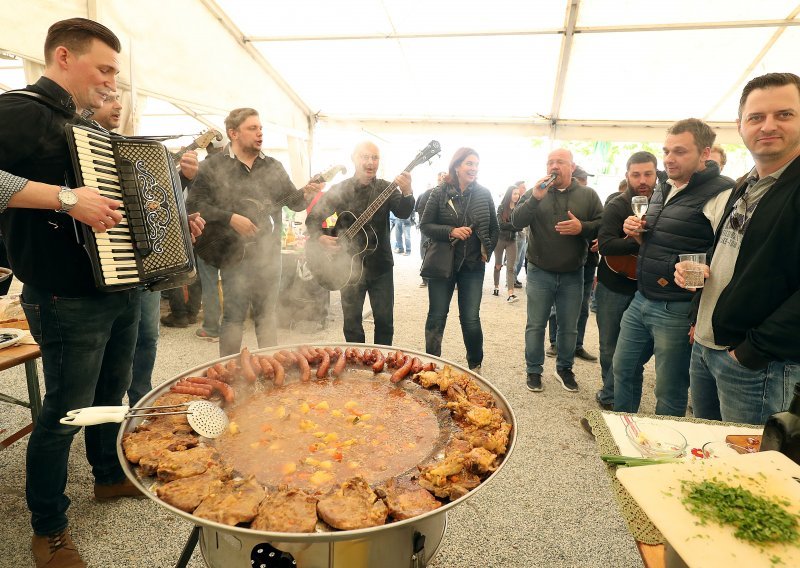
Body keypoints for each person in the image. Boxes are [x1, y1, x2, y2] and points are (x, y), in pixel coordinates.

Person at [0, 18, 141, 568]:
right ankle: (49, 528)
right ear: (64, 57)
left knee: (111, 397)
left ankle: (107, 476)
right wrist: (64, 198)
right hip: (63, 297)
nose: (111, 83)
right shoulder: (19, 110)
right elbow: (70, 199)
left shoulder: (84, 127)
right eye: (103, 69)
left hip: (116, 287)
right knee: (64, 413)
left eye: (115, 72)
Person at [676, 72, 800, 424]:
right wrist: (700, 312)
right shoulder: (748, 182)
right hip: (707, 346)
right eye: (756, 117)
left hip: (760, 365)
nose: (768, 126)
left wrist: (751, 352)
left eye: (784, 114)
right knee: (711, 455)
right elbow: (739, 260)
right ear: (740, 125)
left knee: (749, 472)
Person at [613, 118, 733, 416]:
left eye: (679, 151)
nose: (669, 158)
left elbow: (729, 254)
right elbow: (655, 242)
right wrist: (638, 233)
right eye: (666, 151)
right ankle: (621, 431)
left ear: (705, 153)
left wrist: (705, 280)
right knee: (622, 368)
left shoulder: (722, 193)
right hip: (642, 296)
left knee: (670, 388)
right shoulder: (663, 186)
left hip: (677, 308)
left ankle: (665, 452)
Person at [91, 91, 200, 405]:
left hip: (146, 263)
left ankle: (140, 398)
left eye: (118, 98)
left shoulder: (137, 155)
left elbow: (154, 204)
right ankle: (106, 410)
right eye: (108, 97)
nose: (118, 104)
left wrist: (182, 220)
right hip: (109, 265)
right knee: (112, 346)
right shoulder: (88, 156)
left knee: (147, 338)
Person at [187, 107, 321, 356]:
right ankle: (229, 376)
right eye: (252, 128)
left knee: (267, 316)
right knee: (233, 318)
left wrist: (306, 194)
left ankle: (270, 377)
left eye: (261, 128)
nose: (260, 133)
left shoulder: (273, 167)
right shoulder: (213, 166)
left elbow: (294, 203)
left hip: (268, 256)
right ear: (233, 133)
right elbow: (194, 205)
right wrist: (231, 218)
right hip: (231, 254)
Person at [305, 141, 413, 345]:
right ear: (354, 159)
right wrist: (320, 237)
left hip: (380, 266)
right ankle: (356, 365)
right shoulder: (341, 189)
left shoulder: (386, 188)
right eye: (365, 157)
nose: (370, 162)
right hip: (347, 268)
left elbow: (403, 212)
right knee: (352, 324)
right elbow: (313, 218)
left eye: (375, 158)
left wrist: (407, 192)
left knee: (385, 323)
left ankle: (382, 364)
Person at [512, 149, 602, 393]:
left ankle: (564, 368)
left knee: (569, 325)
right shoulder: (536, 191)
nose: (554, 166)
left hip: (573, 273)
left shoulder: (588, 195)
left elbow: (603, 226)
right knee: (536, 324)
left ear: (571, 167)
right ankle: (533, 370)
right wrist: (534, 199)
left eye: (560, 162)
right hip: (540, 271)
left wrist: (581, 227)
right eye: (550, 162)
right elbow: (516, 221)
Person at [420, 148, 498, 370]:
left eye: (476, 164)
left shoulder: (484, 194)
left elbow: (494, 227)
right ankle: (432, 364)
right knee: (436, 315)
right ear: (457, 166)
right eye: (469, 163)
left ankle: (476, 366)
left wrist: (487, 250)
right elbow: (425, 226)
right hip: (443, 264)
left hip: (473, 266)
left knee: (471, 319)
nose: (473, 168)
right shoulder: (439, 192)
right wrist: (450, 231)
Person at [594, 152, 658, 410]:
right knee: (609, 345)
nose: (642, 180)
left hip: (646, 288)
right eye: (636, 174)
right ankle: (611, 396)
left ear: (657, 174)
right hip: (614, 285)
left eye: (648, 174)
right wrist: (637, 239)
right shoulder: (617, 205)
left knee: (636, 351)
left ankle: (621, 398)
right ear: (627, 176)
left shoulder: (666, 205)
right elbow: (606, 245)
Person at [546, 165, 599, 361]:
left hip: (588, 262)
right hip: (567, 264)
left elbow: (601, 226)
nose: (583, 185)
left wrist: (596, 236)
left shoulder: (591, 198)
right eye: (580, 181)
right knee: (557, 307)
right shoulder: (563, 201)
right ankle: (554, 342)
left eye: (585, 181)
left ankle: (577, 345)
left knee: (583, 307)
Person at [492, 184, 521, 302]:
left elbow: (520, 226)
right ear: (509, 194)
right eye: (515, 193)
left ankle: (510, 294)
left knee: (511, 268)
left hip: (512, 241)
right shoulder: (501, 207)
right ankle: (496, 287)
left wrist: (512, 226)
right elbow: (501, 225)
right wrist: (514, 226)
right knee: (498, 265)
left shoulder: (519, 208)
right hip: (500, 240)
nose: (517, 196)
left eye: (518, 194)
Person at [511, 180, 527, 287]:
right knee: (515, 259)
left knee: (521, 259)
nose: (525, 189)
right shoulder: (516, 203)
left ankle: (515, 278)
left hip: (524, 235)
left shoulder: (525, 200)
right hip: (518, 235)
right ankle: (511, 280)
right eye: (523, 188)